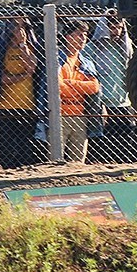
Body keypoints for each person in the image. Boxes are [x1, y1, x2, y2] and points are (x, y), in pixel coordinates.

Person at [86, 13, 137, 163]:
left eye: (119, 27)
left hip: (124, 104)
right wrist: (99, 105)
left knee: (126, 148)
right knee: (104, 150)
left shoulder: (125, 48)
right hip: (103, 105)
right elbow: (91, 78)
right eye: (112, 27)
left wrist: (136, 104)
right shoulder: (91, 49)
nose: (116, 31)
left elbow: (130, 77)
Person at [0, 17, 39, 168]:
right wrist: (22, 76)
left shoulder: (32, 46)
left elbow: (32, 67)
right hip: (4, 105)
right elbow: (0, 77)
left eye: (22, 26)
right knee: (6, 148)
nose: (19, 30)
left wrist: (22, 44)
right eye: (16, 26)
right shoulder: (1, 48)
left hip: (27, 104)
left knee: (25, 147)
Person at [58, 20, 101, 164]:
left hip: (80, 116)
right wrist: (81, 88)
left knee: (78, 162)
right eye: (79, 34)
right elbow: (58, 87)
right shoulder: (57, 59)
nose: (83, 38)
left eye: (85, 34)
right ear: (67, 36)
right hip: (60, 116)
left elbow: (94, 87)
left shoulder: (86, 62)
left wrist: (71, 83)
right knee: (56, 160)